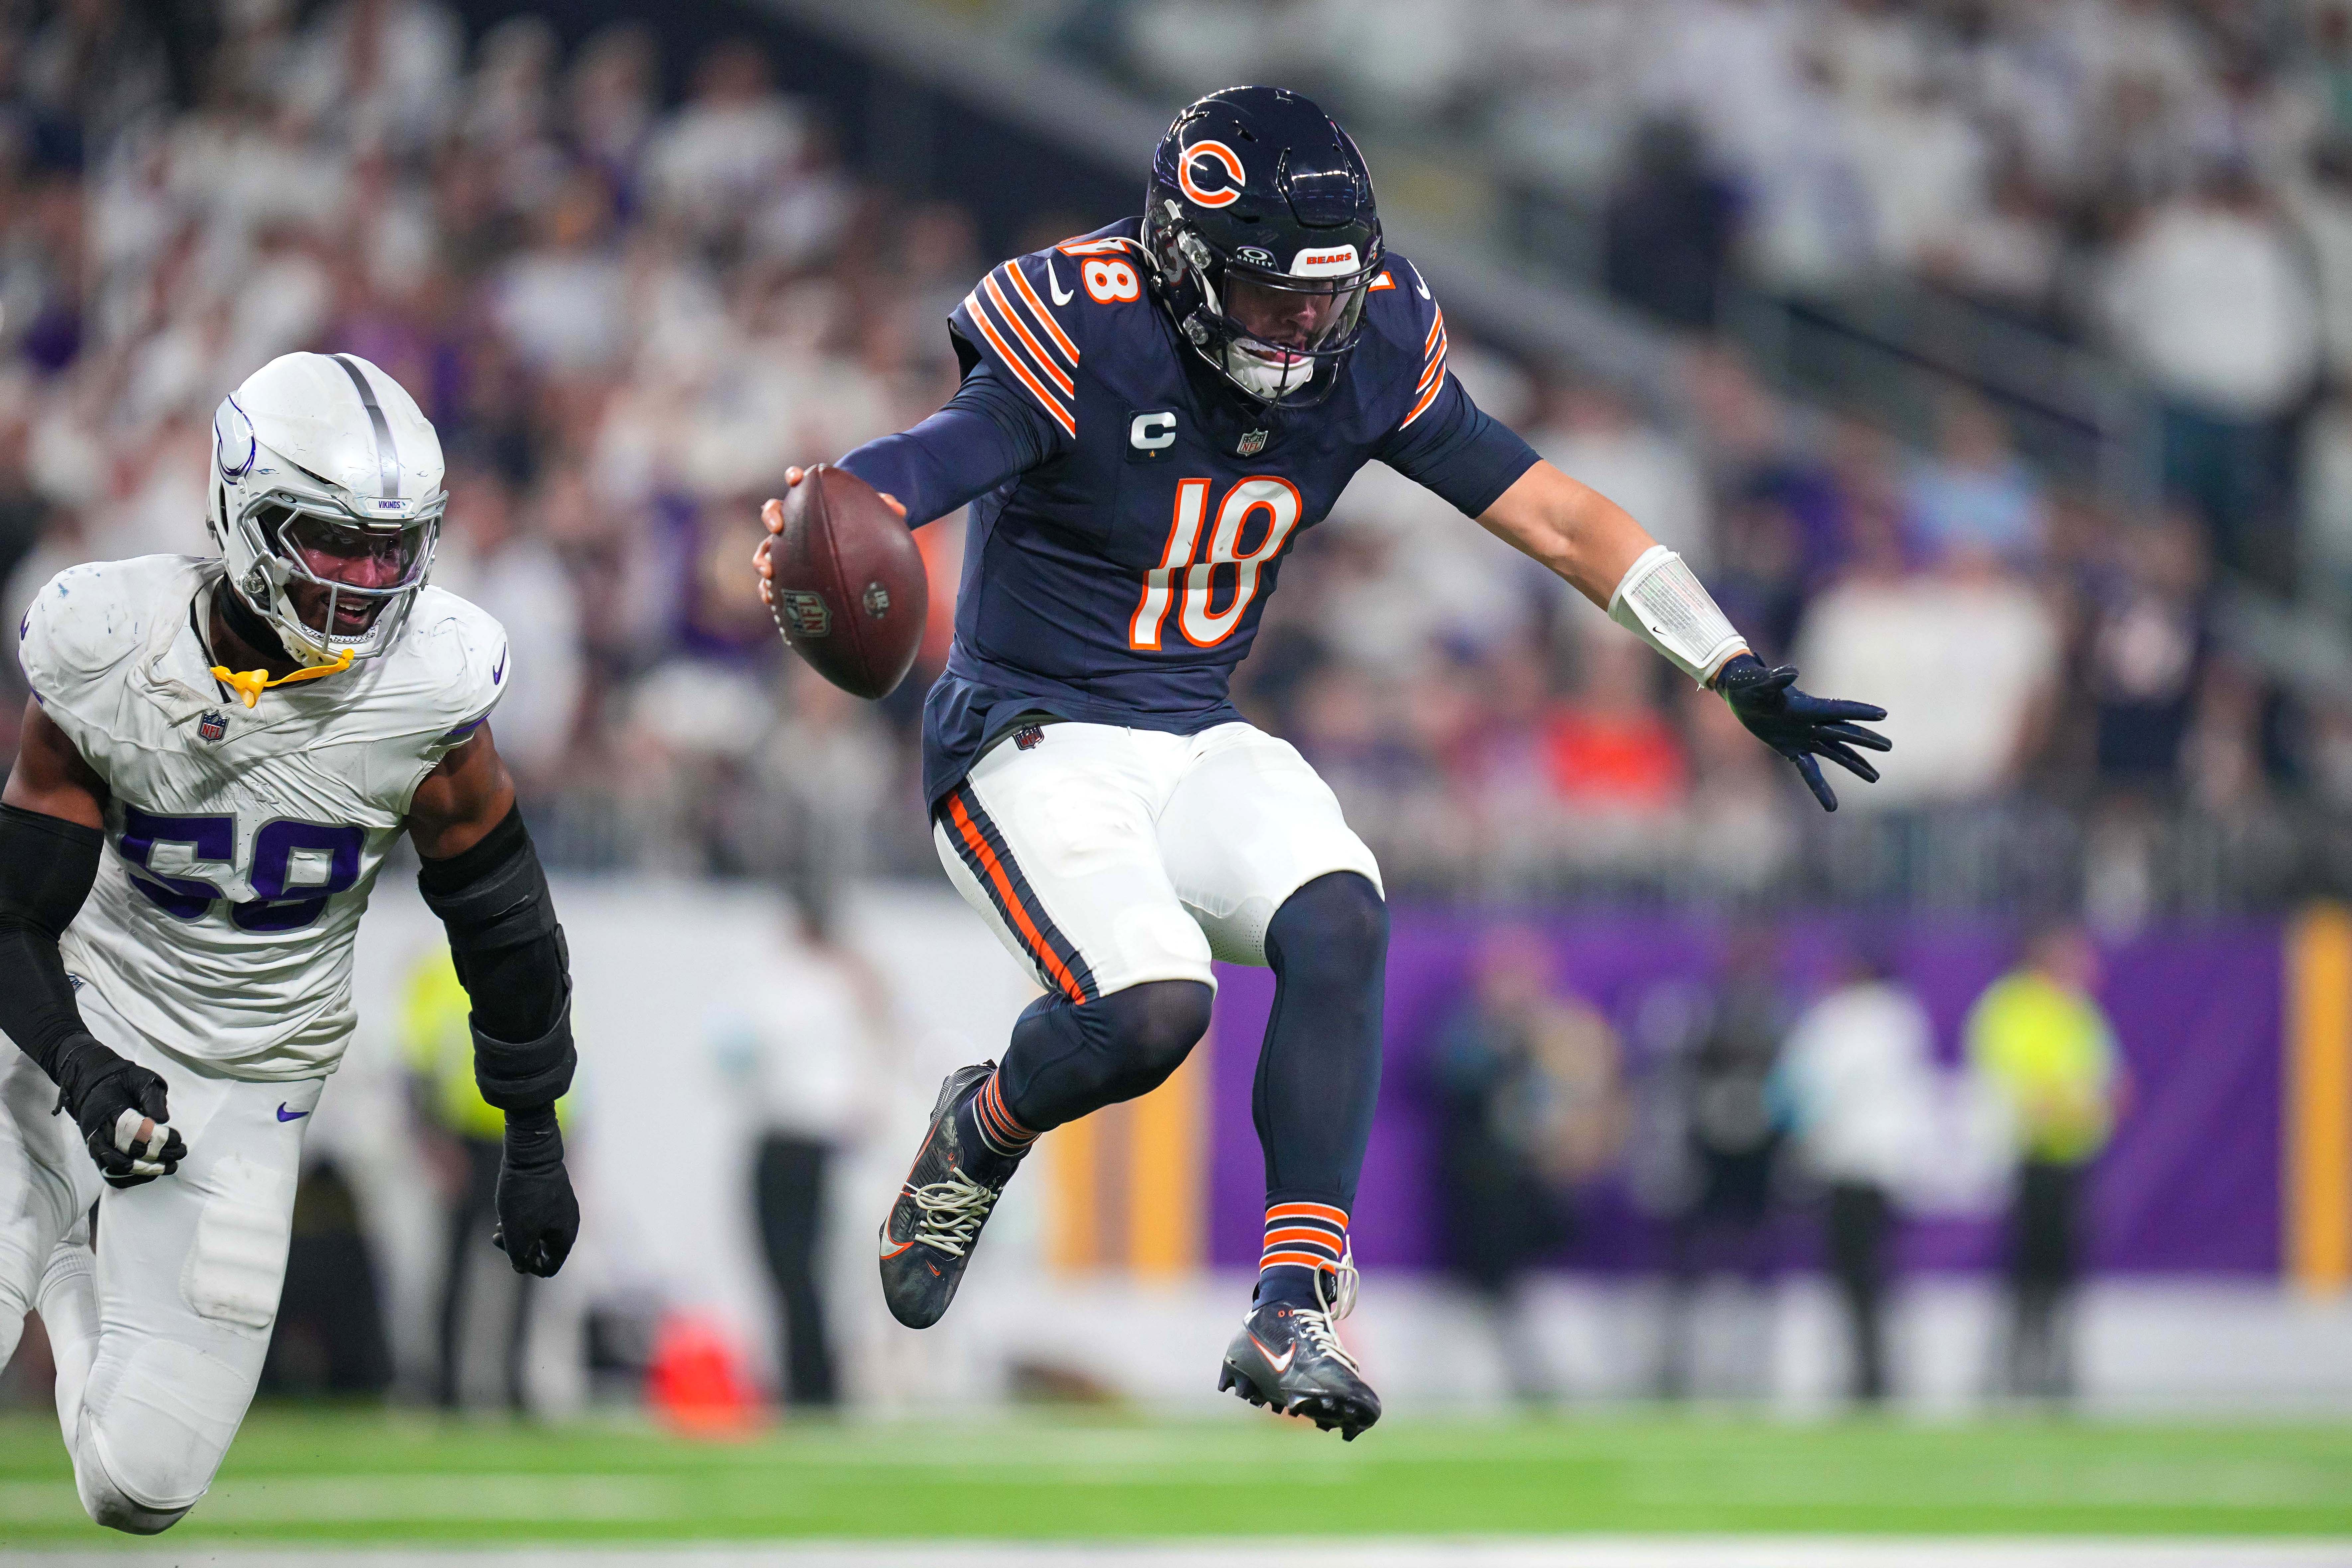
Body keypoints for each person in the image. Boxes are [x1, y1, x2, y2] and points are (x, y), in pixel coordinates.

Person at [754, 86, 1889, 1440]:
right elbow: (929, 464)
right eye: (1270, 295)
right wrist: (844, 510)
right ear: (1180, 261)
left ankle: (1294, 1295)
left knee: (1341, 914)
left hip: (1191, 721)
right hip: (1027, 735)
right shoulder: (1086, 321)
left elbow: (1548, 511)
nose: (1304, 325)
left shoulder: (1369, 336)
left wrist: (1726, 664)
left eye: (1322, 295)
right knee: (1153, 1009)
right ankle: (982, 1127)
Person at [0, 352, 581, 1532]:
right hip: (71, 1024)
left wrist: (531, 1136)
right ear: (243, 514)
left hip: (253, 1069)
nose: (369, 581)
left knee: (138, 1489)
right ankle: (42, 1213)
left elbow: (507, 931)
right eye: (334, 542)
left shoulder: (431, 688)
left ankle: (62, 1271)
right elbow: (12, 916)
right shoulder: (113, 643)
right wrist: (75, 1064)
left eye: (393, 548)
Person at [1429, 929, 1624, 1403]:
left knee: (1517, 1275)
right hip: (1482, 1181)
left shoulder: (1559, 1029)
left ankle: (1532, 1371)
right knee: (1489, 1281)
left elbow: (1584, 1098)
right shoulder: (1473, 1030)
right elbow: (1451, 1074)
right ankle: (1511, 1375)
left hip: (1530, 1181)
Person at [1966, 922, 2126, 1402]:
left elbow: (2113, 1088)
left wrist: (2079, 1106)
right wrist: (2075, 1105)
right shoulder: (2015, 1007)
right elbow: (2020, 1093)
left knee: (2061, 1271)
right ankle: (2014, 1371)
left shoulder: (2077, 1012)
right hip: (2028, 1158)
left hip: (2070, 1160)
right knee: (2025, 1271)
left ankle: (2056, 1371)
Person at [1779, 945, 1936, 1404]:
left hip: (1846, 1164)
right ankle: (1878, 1372)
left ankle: (1863, 1375)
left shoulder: (1833, 1020)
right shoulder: (1903, 1019)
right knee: (1877, 1276)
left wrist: (1801, 1144)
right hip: (1888, 1168)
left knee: (1852, 1278)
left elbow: (1803, 1090)